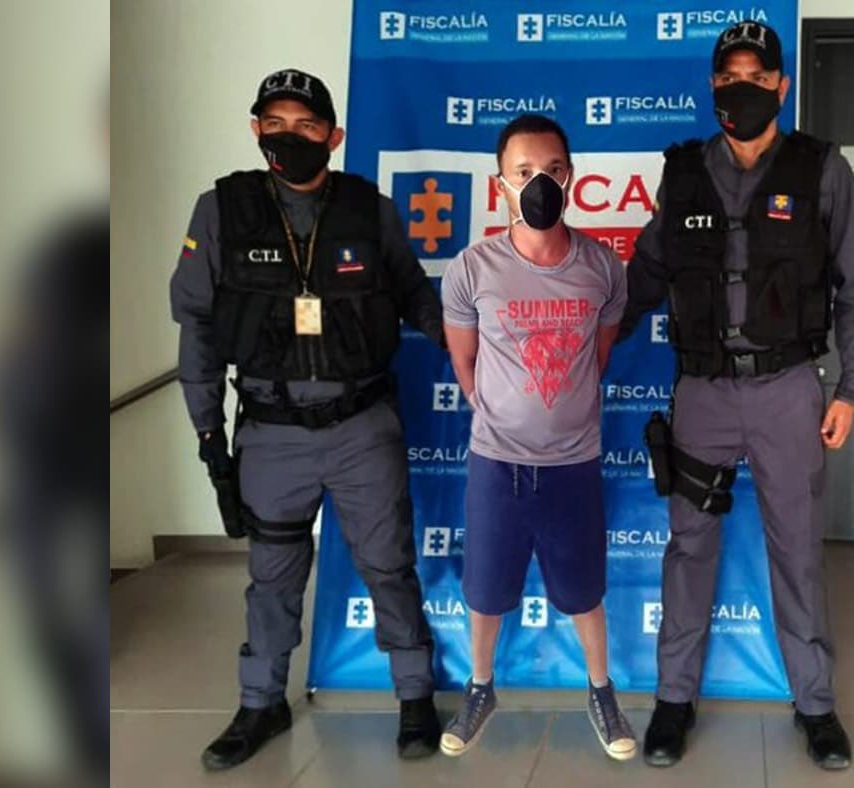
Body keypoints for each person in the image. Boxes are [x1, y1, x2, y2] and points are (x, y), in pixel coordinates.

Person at [617, 22, 854, 770]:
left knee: (797, 550)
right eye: (729, 76)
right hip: (702, 392)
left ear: (780, 86)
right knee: (689, 547)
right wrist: (588, 341)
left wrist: (851, 390)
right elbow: (645, 276)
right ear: (713, 86)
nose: (743, 88)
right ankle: (673, 701)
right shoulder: (684, 173)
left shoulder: (821, 170)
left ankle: (815, 705)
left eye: (757, 77)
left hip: (787, 392)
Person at [169, 68, 445, 770]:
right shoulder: (221, 210)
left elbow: (415, 294)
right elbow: (197, 324)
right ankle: (261, 702)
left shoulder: (368, 210)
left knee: (388, 565)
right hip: (271, 431)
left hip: (361, 424)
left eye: (307, 125)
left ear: (334, 136)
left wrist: (471, 344)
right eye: (275, 124)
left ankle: (415, 695)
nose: (289, 137)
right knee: (272, 576)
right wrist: (208, 433)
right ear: (256, 129)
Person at [439, 114, 636, 760]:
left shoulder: (603, 267)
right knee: (486, 590)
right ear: (500, 184)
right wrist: (503, 412)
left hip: (573, 463)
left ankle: (601, 691)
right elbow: (464, 362)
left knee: (584, 591)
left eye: (551, 171)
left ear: (571, 177)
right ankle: (479, 687)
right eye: (524, 173)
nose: (539, 184)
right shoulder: (471, 269)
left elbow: (598, 356)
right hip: (497, 463)